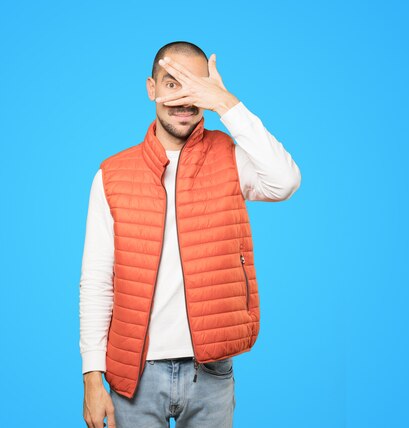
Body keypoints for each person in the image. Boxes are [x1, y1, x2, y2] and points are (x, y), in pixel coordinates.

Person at [79, 41, 301, 428]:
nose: (183, 99)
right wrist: (91, 377)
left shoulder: (230, 157)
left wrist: (225, 102)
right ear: (151, 89)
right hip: (134, 374)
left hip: (210, 372)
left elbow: (285, 181)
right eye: (171, 84)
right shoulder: (111, 175)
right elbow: (97, 281)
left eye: (193, 87)